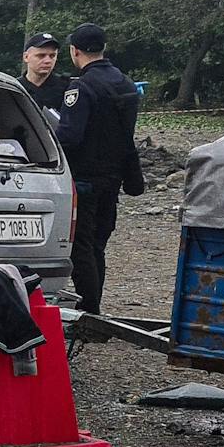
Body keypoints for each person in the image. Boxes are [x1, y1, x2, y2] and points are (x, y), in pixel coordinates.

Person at [55, 22, 144, 314]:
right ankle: (95, 305)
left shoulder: (81, 87)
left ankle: (90, 310)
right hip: (115, 176)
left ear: (74, 51)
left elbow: (70, 137)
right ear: (104, 48)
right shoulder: (127, 84)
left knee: (81, 246)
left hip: (85, 178)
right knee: (97, 245)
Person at [17, 32, 70, 111]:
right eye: (41, 56)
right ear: (26, 57)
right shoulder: (15, 88)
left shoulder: (67, 88)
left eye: (52, 56)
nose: (47, 61)